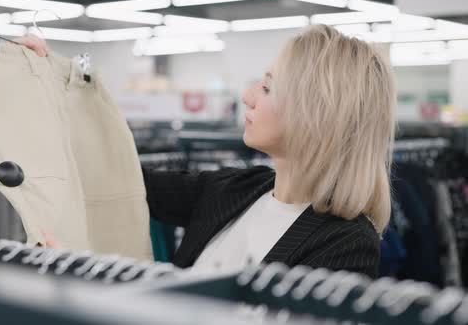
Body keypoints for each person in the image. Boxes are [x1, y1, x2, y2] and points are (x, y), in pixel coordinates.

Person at [21, 24, 395, 278]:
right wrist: (57, 84)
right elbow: (120, 179)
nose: (248, 97)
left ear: (316, 115)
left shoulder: (346, 245)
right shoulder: (238, 189)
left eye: (266, 88)